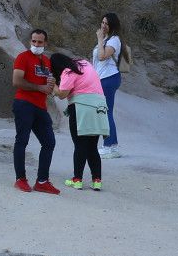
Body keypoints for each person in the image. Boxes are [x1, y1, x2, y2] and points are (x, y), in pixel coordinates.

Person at [50, 52, 108, 190]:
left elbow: (62, 95)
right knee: (92, 147)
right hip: (99, 107)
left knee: (80, 145)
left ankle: (77, 180)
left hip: (81, 108)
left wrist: (53, 85)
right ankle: (97, 181)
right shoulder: (84, 63)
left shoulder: (68, 72)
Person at [10, 28, 59, 194]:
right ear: (30, 41)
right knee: (22, 140)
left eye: (40, 42)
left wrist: (51, 85)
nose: (36, 44)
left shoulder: (47, 61)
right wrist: (40, 87)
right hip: (24, 103)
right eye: (34, 41)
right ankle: (20, 179)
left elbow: (50, 86)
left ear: (45, 43)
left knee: (49, 142)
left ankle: (42, 181)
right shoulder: (23, 57)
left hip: (40, 107)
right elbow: (16, 81)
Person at [93, 12, 130, 158]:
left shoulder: (114, 40)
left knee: (105, 111)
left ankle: (110, 145)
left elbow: (102, 57)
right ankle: (111, 145)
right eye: (102, 22)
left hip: (109, 78)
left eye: (106, 24)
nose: (103, 26)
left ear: (112, 26)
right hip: (103, 78)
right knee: (105, 111)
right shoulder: (108, 39)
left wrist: (100, 39)